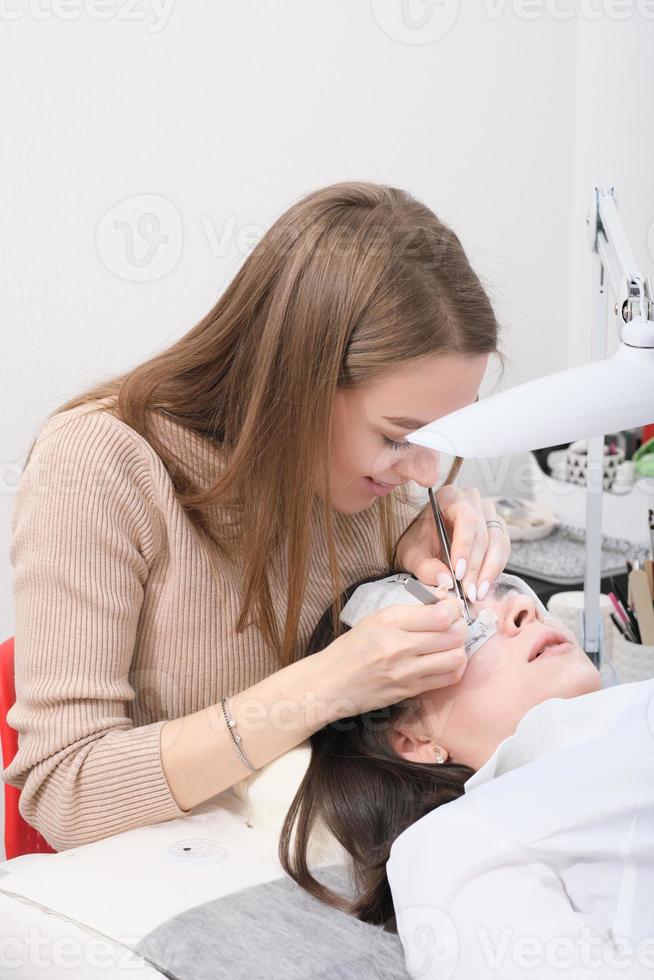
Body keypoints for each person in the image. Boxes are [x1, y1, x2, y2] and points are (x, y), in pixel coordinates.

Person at [2, 180, 511, 851]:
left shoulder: (368, 485)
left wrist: (451, 538)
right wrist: (323, 687)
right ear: (292, 384)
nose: (421, 472)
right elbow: (66, 794)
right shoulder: (102, 466)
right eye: (397, 436)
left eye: (447, 440)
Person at [280, 573, 654, 979]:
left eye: (509, 591)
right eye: (458, 625)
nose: (523, 609)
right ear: (412, 737)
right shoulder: (454, 840)